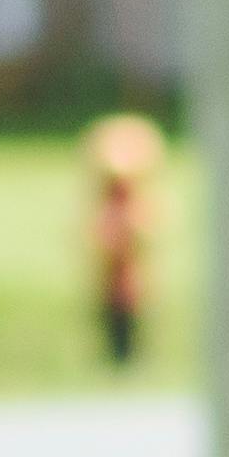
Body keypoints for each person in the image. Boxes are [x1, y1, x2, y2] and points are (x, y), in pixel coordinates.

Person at [84, 109, 164, 368]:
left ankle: (129, 356)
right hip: (114, 272)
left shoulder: (130, 199)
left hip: (128, 275)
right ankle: (117, 355)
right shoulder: (111, 200)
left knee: (130, 305)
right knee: (113, 309)